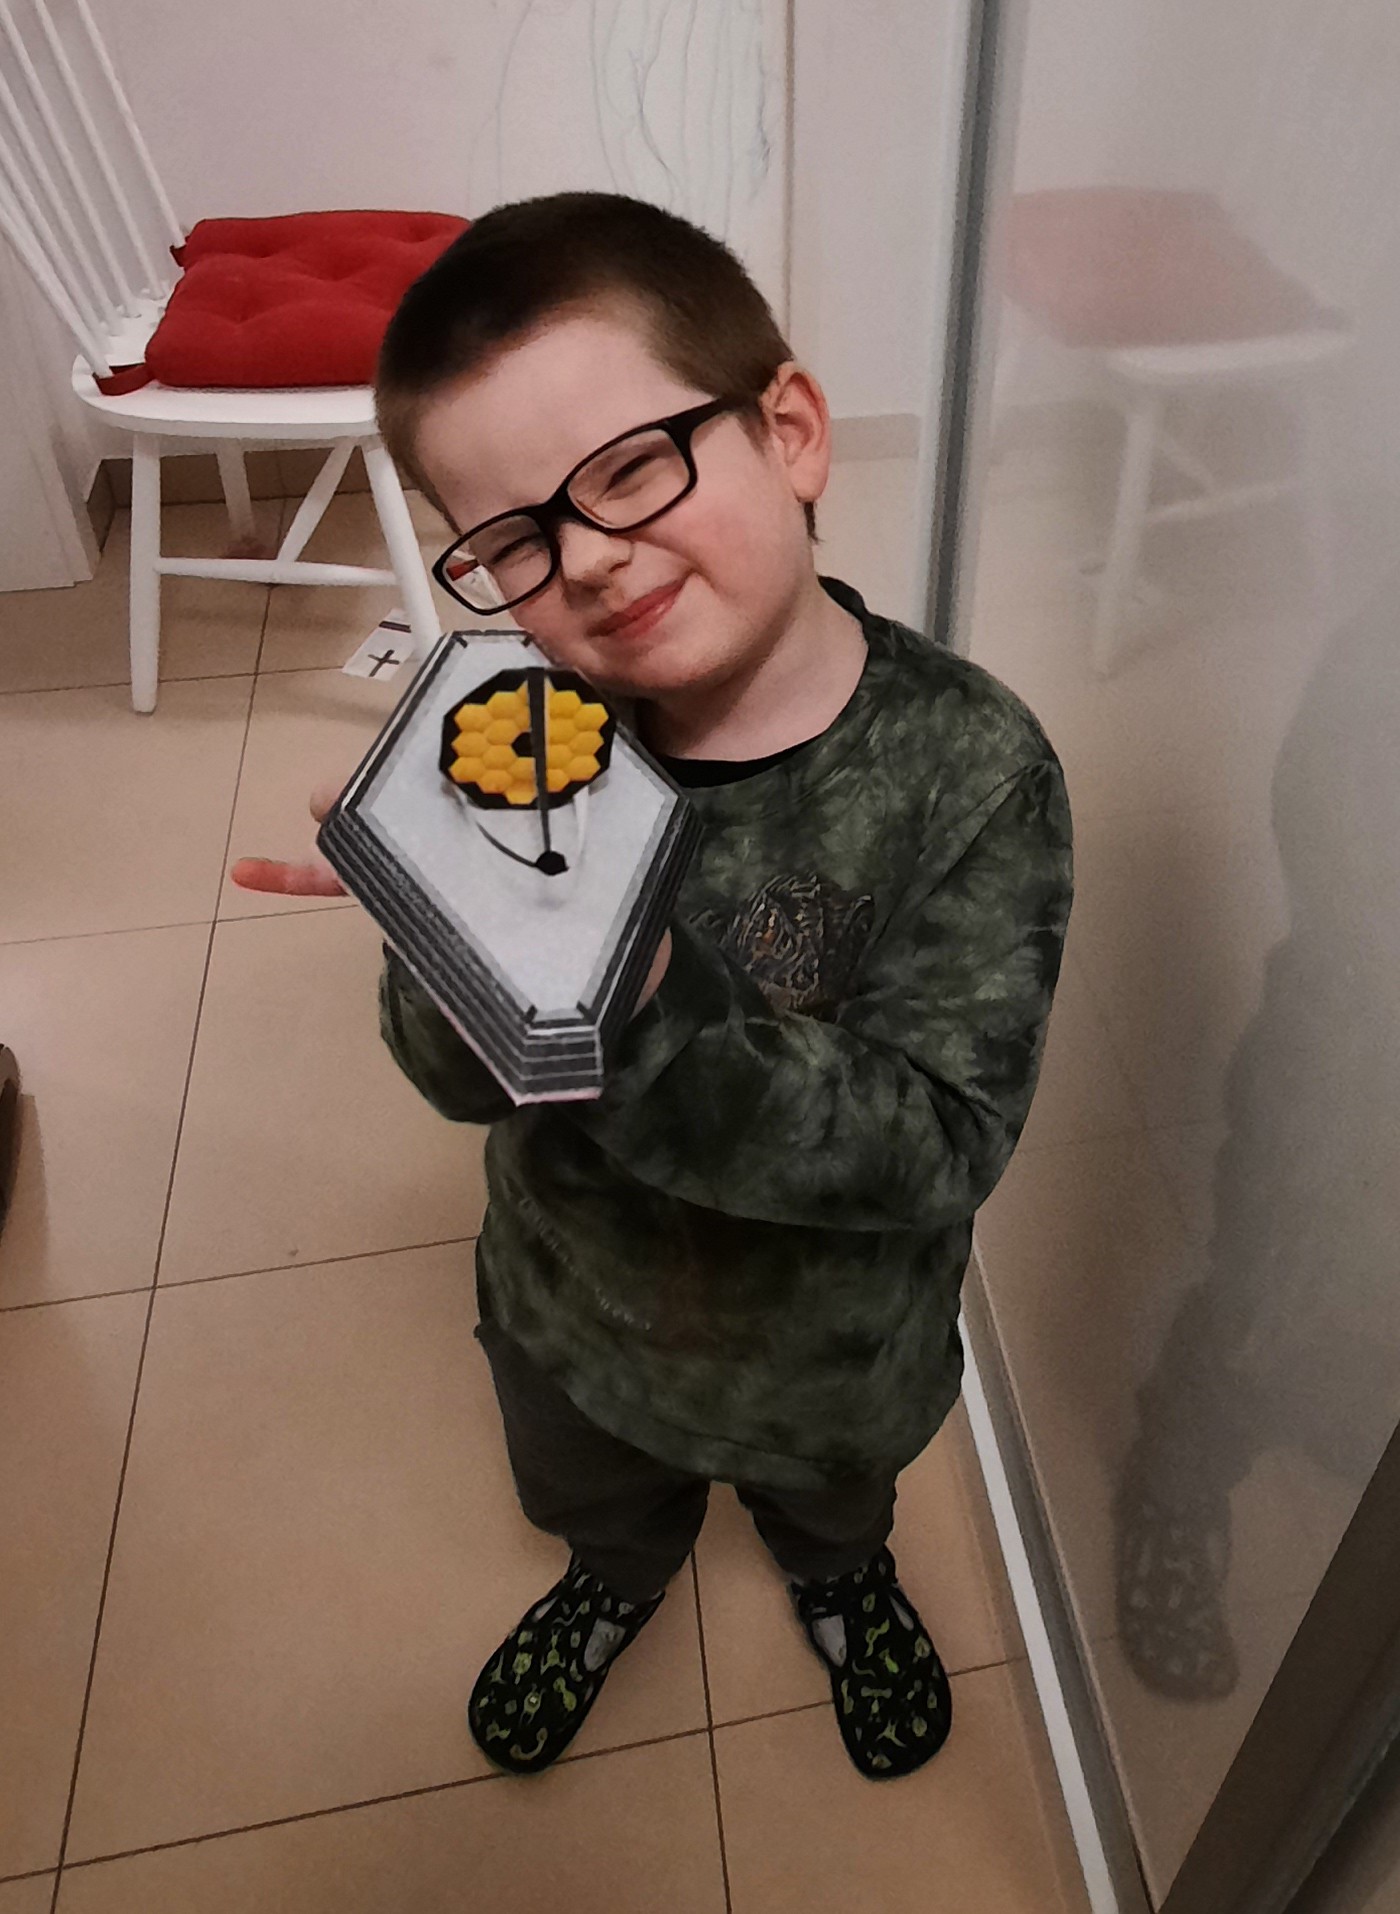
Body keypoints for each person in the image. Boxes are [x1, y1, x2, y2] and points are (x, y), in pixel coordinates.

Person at [232, 192, 1073, 1782]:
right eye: (516, 540)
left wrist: (632, 976)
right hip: (576, 1305)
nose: (594, 560)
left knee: (831, 1508)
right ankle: (612, 1582)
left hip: (834, 1347)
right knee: (594, 1493)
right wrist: (442, 922)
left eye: (631, 467)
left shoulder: (971, 771)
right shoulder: (517, 737)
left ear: (794, 430)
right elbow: (457, 1075)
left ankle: (842, 1584)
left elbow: (944, 1141)